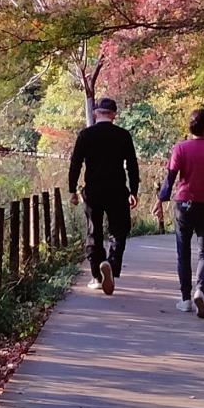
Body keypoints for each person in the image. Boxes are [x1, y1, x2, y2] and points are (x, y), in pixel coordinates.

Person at [157, 107, 204, 319]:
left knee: (183, 252)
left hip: (184, 204)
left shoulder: (180, 148)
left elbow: (170, 178)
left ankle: (186, 300)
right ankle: (200, 291)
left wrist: (161, 199)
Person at [68, 96, 139, 295]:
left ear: (95, 113)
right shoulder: (123, 135)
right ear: (114, 114)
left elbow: (75, 164)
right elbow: (132, 166)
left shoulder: (86, 135)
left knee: (94, 230)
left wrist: (72, 190)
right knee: (119, 230)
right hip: (117, 190)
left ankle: (96, 277)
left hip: (93, 191)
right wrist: (133, 191)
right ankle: (112, 264)